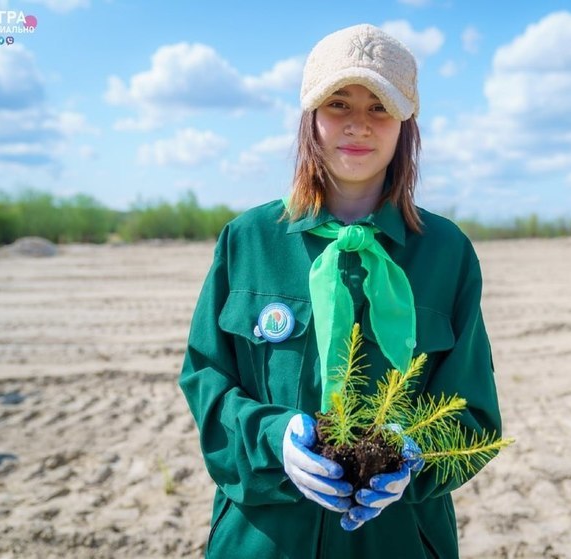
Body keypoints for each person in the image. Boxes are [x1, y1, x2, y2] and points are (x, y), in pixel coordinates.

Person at [179, 23, 501, 559]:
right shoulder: (249, 240)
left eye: (379, 107)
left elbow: (474, 411)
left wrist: (416, 458)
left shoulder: (447, 253)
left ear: (406, 124)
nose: (357, 124)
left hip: (397, 539)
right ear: (310, 118)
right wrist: (273, 438)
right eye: (338, 103)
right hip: (264, 541)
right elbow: (206, 378)